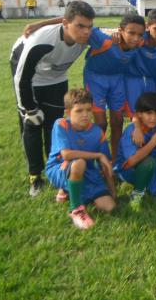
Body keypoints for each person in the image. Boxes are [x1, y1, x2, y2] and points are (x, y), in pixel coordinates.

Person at [10, 1, 95, 196]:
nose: (85, 32)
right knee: (32, 123)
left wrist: (41, 22)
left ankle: (55, 168)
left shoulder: (88, 36)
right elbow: (21, 78)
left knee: (55, 124)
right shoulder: (40, 42)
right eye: (80, 26)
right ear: (66, 23)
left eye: (89, 27)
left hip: (56, 78)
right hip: (29, 77)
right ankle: (35, 175)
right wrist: (29, 109)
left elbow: (121, 32)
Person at [45, 89, 116, 230]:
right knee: (79, 163)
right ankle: (76, 210)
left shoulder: (97, 132)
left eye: (88, 110)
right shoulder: (61, 125)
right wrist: (97, 155)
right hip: (60, 168)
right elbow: (66, 155)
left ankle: (68, 191)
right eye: (79, 111)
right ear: (68, 112)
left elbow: (105, 165)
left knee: (109, 207)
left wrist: (113, 193)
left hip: (88, 171)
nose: (85, 115)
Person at [84, 13, 146, 159]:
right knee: (101, 124)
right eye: (131, 33)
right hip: (95, 80)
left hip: (117, 80)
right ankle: (98, 158)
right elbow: (80, 22)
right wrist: (39, 25)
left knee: (117, 121)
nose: (136, 38)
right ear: (121, 30)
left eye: (140, 34)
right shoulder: (105, 40)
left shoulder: (139, 43)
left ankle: (115, 159)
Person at [124, 8, 156, 118]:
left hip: (152, 83)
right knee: (135, 115)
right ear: (148, 26)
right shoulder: (137, 40)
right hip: (133, 81)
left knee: (151, 113)